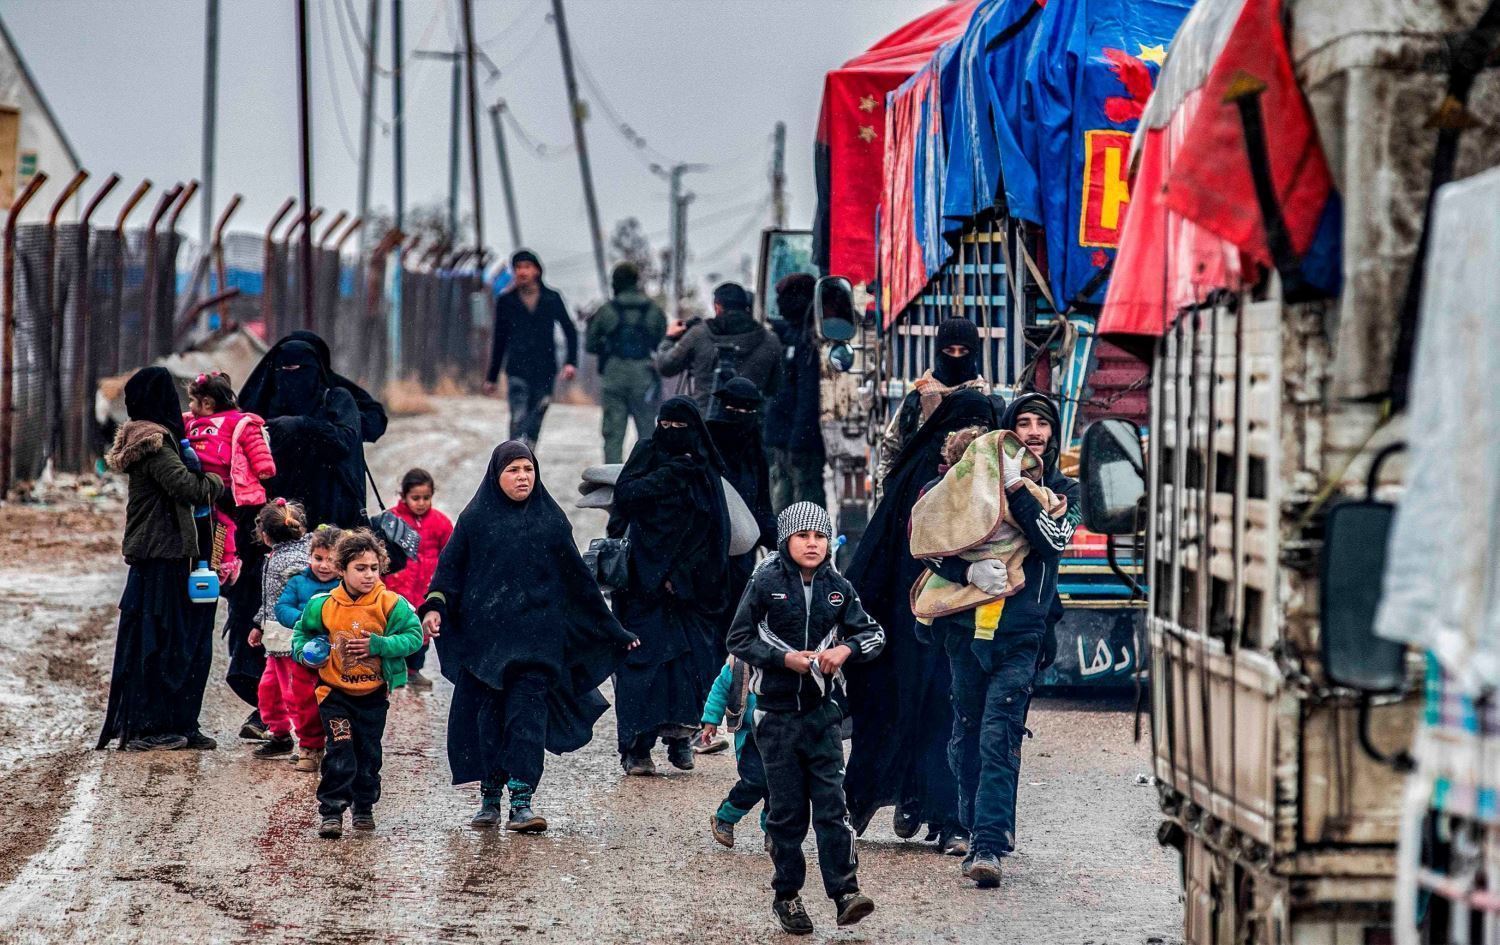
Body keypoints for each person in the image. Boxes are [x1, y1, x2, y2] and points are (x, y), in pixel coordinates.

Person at [418, 442, 639, 832]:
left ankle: (522, 801)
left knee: (527, 723)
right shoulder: (475, 521)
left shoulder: (550, 522)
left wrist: (613, 631)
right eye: (513, 470)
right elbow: (448, 575)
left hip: (538, 646)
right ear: (496, 476)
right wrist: (434, 607)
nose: (522, 477)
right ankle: (489, 799)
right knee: (488, 723)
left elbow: (579, 584)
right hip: (485, 647)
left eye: (528, 469)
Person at [921, 391, 1079, 888]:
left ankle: (987, 845)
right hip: (965, 632)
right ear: (1007, 432)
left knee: (998, 735)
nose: (1034, 432)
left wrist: (1017, 490)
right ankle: (972, 823)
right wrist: (965, 566)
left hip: (1020, 634)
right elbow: (926, 542)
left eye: (1043, 424)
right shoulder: (964, 483)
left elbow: (1053, 541)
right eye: (1024, 422)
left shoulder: (1061, 489)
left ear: (1054, 434)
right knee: (966, 732)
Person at [842, 387, 1001, 855]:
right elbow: (882, 554)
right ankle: (877, 802)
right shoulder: (918, 479)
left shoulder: (1001, 483)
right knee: (898, 710)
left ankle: (949, 817)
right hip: (908, 626)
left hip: (971, 625)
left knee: (950, 720)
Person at [726, 502, 884, 935]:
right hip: (776, 719)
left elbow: (873, 633)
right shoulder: (764, 583)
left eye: (819, 536)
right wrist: (783, 659)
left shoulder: (839, 587)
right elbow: (738, 637)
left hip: (823, 719)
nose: (812, 544)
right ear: (786, 541)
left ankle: (846, 892)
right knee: (787, 815)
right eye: (802, 537)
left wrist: (845, 650)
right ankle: (788, 896)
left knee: (834, 809)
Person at [231, 331, 385, 741]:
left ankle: (329, 707)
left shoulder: (337, 401)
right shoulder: (261, 407)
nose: (290, 379)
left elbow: (348, 440)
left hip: (329, 528)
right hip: (278, 529)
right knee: (272, 615)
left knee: (327, 616)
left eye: (300, 371)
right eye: (284, 371)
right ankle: (269, 712)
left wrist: (303, 427)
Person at [98, 367, 224, 752]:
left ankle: (180, 722)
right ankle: (150, 725)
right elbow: (185, 486)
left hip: (174, 554)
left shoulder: (158, 438)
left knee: (185, 642)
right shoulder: (153, 442)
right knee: (162, 643)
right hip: (161, 556)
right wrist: (217, 482)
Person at [609, 397, 733, 776]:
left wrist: (685, 577)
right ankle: (637, 747)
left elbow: (718, 530)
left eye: (681, 428)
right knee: (642, 666)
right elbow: (625, 498)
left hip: (691, 590)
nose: (673, 434)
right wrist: (671, 476)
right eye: (667, 426)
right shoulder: (648, 453)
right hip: (642, 586)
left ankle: (681, 740)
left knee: (690, 667)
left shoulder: (704, 468)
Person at [292, 528, 424, 839]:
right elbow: (302, 634)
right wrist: (306, 655)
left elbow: (414, 637)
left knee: (368, 754)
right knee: (340, 750)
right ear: (342, 569)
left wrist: (379, 645)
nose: (369, 576)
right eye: (360, 568)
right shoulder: (322, 605)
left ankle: (363, 807)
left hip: (373, 694)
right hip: (333, 692)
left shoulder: (391, 604)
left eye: (374, 568)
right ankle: (332, 811)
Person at [256, 519, 342, 772]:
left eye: (331, 560)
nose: (324, 566)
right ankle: (309, 747)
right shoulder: (298, 581)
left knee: (337, 701)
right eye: (318, 558)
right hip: (303, 653)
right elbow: (281, 607)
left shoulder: (345, 586)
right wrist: (305, 620)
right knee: (304, 701)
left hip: (337, 654)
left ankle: (338, 747)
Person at [706, 376, 778, 669]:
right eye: (737, 410)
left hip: (743, 547)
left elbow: (761, 502)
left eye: (750, 411)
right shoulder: (706, 442)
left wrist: (778, 540)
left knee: (735, 615)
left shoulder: (754, 448)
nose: (743, 418)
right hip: (707, 548)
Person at [182, 371, 275, 585]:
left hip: (224, 488)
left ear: (206, 403)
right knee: (201, 528)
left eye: (192, 401)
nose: (189, 406)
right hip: (197, 487)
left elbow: (255, 443)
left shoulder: (237, 421)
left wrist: (264, 466)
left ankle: (226, 563)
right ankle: (202, 566)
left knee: (223, 526)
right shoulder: (191, 422)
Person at [483, 249, 579, 448]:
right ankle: (514, 456)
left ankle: (529, 456)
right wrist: (492, 377)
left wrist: (570, 362)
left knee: (537, 413)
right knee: (518, 415)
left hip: (545, 368)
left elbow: (570, 330)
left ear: (537, 271)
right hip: (517, 367)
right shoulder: (506, 301)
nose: (522, 272)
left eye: (526, 267)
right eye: (518, 267)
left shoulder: (551, 298)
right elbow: (499, 340)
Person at [876, 317, 988, 481]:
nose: (956, 357)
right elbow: (891, 453)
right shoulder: (916, 400)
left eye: (963, 351)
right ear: (938, 352)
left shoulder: (985, 401)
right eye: (949, 351)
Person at [654, 282, 781, 414]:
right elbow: (774, 387)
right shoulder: (770, 340)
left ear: (718, 307)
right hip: (750, 424)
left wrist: (669, 338)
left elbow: (665, 366)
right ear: (747, 306)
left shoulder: (699, 334)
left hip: (705, 422)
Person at [586, 262, 667, 463]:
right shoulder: (653, 310)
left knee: (613, 433)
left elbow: (590, 344)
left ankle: (610, 479)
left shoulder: (606, 311)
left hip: (614, 375)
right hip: (644, 376)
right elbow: (662, 342)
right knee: (648, 432)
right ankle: (648, 474)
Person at [382, 468, 454, 691]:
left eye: (426, 498)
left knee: (421, 631)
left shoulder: (440, 522)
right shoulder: (392, 520)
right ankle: (389, 669)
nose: (421, 503)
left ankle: (414, 670)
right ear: (403, 496)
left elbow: (451, 552)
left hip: (425, 588)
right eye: (415, 498)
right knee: (392, 629)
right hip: (396, 587)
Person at [764, 274, 826, 513]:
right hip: (785, 437)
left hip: (799, 440)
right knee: (786, 502)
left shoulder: (807, 339)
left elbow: (807, 395)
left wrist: (800, 438)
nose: (780, 304)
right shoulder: (791, 335)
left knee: (803, 505)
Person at [703, 655, 767, 850]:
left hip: (784, 733)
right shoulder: (739, 664)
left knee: (780, 787)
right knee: (754, 781)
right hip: (749, 736)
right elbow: (720, 690)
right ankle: (725, 817)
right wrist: (711, 720)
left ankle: (774, 832)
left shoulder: (791, 658)